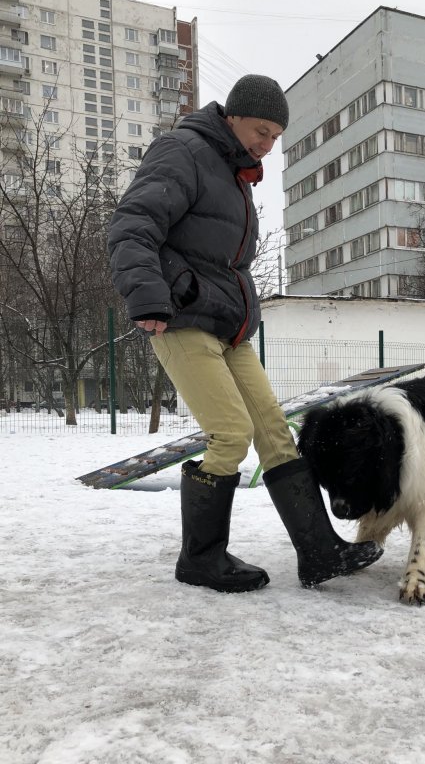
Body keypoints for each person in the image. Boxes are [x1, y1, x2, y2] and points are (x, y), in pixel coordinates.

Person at [107, 74, 383, 594]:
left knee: (275, 431)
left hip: (228, 327)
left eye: (275, 137)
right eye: (262, 131)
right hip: (182, 320)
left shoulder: (235, 173)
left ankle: (319, 551)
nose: (267, 144)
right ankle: (201, 559)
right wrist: (146, 296)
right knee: (231, 432)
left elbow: (225, 261)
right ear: (232, 116)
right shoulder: (182, 151)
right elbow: (133, 223)